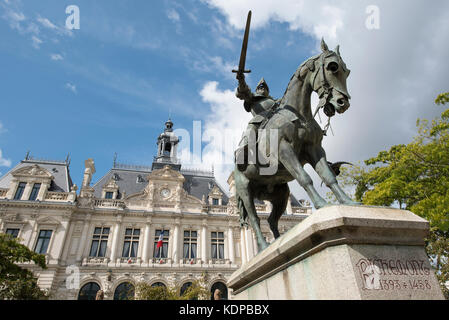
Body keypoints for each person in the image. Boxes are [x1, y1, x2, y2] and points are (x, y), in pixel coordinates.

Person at [235, 74, 280, 170]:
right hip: (259, 120)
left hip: (276, 120)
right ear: (257, 90)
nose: (262, 88)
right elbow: (243, 91)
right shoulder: (252, 97)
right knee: (251, 129)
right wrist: (241, 81)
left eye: (265, 87)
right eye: (260, 87)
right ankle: (242, 150)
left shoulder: (275, 101)